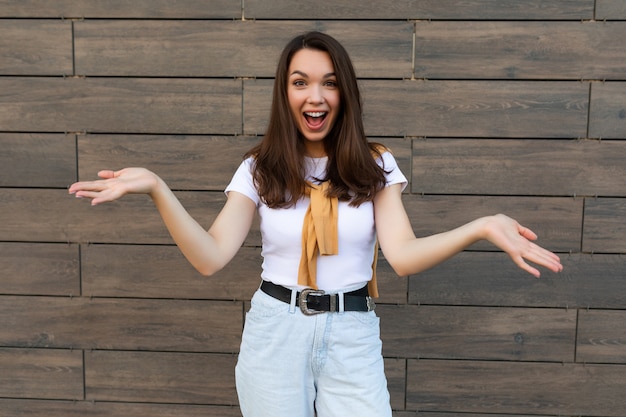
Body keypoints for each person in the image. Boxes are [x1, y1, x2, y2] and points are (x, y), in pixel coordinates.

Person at [69, 31, 563, 417]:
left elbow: (404, 257)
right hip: (275, 330)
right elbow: (210, 256)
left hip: (352, 331)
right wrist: (158, 187)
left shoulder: (376, 165)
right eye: (300, 81)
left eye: (329, 82)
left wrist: (480, 226)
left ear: (343, 92)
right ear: (285, 92)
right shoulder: (260, 168)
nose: (316, 95)